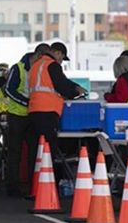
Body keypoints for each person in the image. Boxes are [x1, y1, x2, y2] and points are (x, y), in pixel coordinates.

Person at [28, 42, 86, 178]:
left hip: (34, 111)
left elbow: (63, 81)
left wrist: (75, 86)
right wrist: (76, 93)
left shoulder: (36, 65)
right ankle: (47, 184)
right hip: (48, 112)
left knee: (36, 151)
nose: (61, 62)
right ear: (57, 53)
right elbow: (62, 86)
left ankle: (34, 184)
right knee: (49, 151)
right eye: (62, 58)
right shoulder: (52, 65)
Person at [4, 43, 50, 197]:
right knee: (14, 152)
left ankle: (33, 185)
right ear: (38, 56)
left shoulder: (41, 69)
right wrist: (25, 102)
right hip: (17, 115)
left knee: (34, 152)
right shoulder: (18, 68)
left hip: (33, 115)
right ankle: (13, 187)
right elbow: (9, 89)